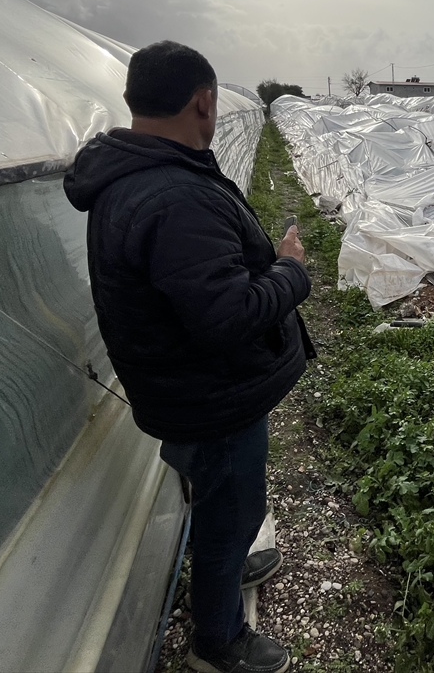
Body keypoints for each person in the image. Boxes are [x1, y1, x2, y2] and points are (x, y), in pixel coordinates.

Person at [64, 41, 311, 673]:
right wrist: (290, 270)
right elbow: (227, 319)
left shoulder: (132, 176)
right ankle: (218, 640)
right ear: (204, 101)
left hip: (178, 384)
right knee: (233, 508)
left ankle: (220, 569)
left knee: (217, 496)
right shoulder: (173, 195)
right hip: (211, 397)